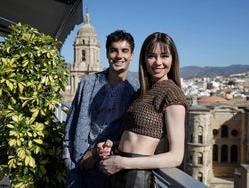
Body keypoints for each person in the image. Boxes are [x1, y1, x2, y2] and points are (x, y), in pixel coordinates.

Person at [98, 32, 188, 188]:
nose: (157, 62)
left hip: (135, 177)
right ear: (144, 59)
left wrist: (124, 162)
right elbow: (138, 137)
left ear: (173, 60)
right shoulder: (141, 92)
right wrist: (114, 146)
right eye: (151, 56)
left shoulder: (172, 94)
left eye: (164, 56)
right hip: (119, 169)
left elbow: (176, 157)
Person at [62, 30, 139, 188]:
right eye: (113, 50)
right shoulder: (87, 83)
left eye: (124, 51)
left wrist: (98, 153)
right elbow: (72, 120)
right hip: (77, 166)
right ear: (106, 53)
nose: (119, 56)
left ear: (131, 55)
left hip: (108, 170)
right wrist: (67, 158)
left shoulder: (136, 90)